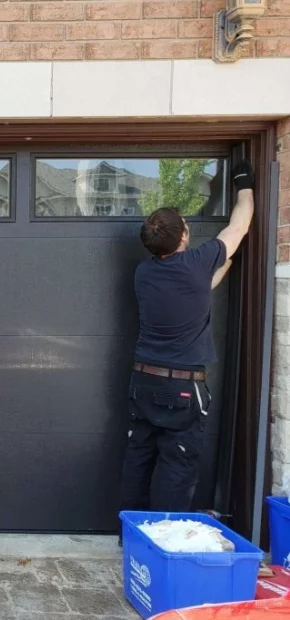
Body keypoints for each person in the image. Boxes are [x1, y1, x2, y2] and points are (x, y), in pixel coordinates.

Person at [120, 161, 255, 520]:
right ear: (182, 237)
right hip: (180, 389)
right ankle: (166, 535)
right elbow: (239, 224)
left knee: (138, 457)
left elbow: (199, 290)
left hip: (143, 382)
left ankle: (131, 533)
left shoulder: (144, 272)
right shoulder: (197, 261)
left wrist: (223, 264)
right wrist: (244, 183)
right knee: (176, 464)